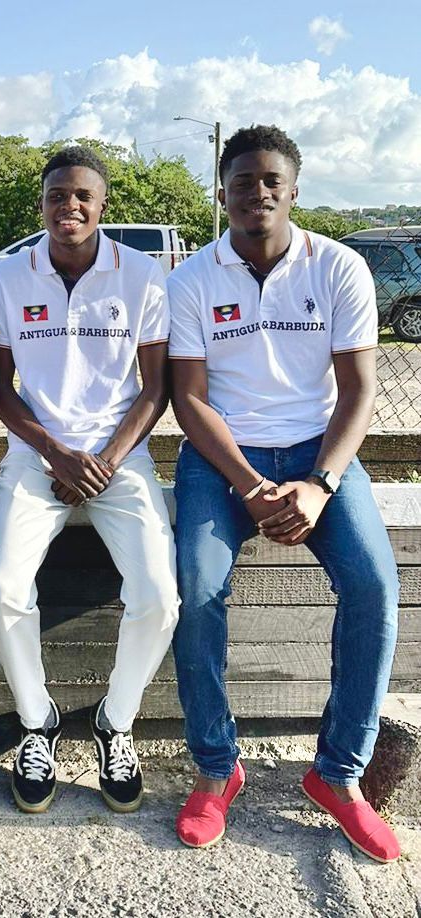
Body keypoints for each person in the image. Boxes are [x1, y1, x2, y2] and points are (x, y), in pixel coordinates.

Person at [168, 125, 400, 862]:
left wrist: (320, 484)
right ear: (223, 193)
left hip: (318, 453)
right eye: (243, 181)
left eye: (272, 180)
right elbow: (189, 399)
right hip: (222, 459)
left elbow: (359, 390)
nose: (257, 192)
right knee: (196, 587)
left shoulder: (338, 267)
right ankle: (216, 767)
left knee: (375, 588)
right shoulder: (192, 278)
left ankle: (338, 775)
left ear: (294, 190)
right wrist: (251, 485)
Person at [0, 146, 180, 815]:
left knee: (160, 597)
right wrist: (55, 452)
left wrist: (105, 461)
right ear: (41, 204)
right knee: (3, 590)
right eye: (56, 195)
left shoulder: (143, 275)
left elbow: (156, 388)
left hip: (120, 458)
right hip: (35, 457)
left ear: (102, 205)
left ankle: (114, 723)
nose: (69, 206)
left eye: (82, 196)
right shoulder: (8, 277)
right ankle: (37, 723)